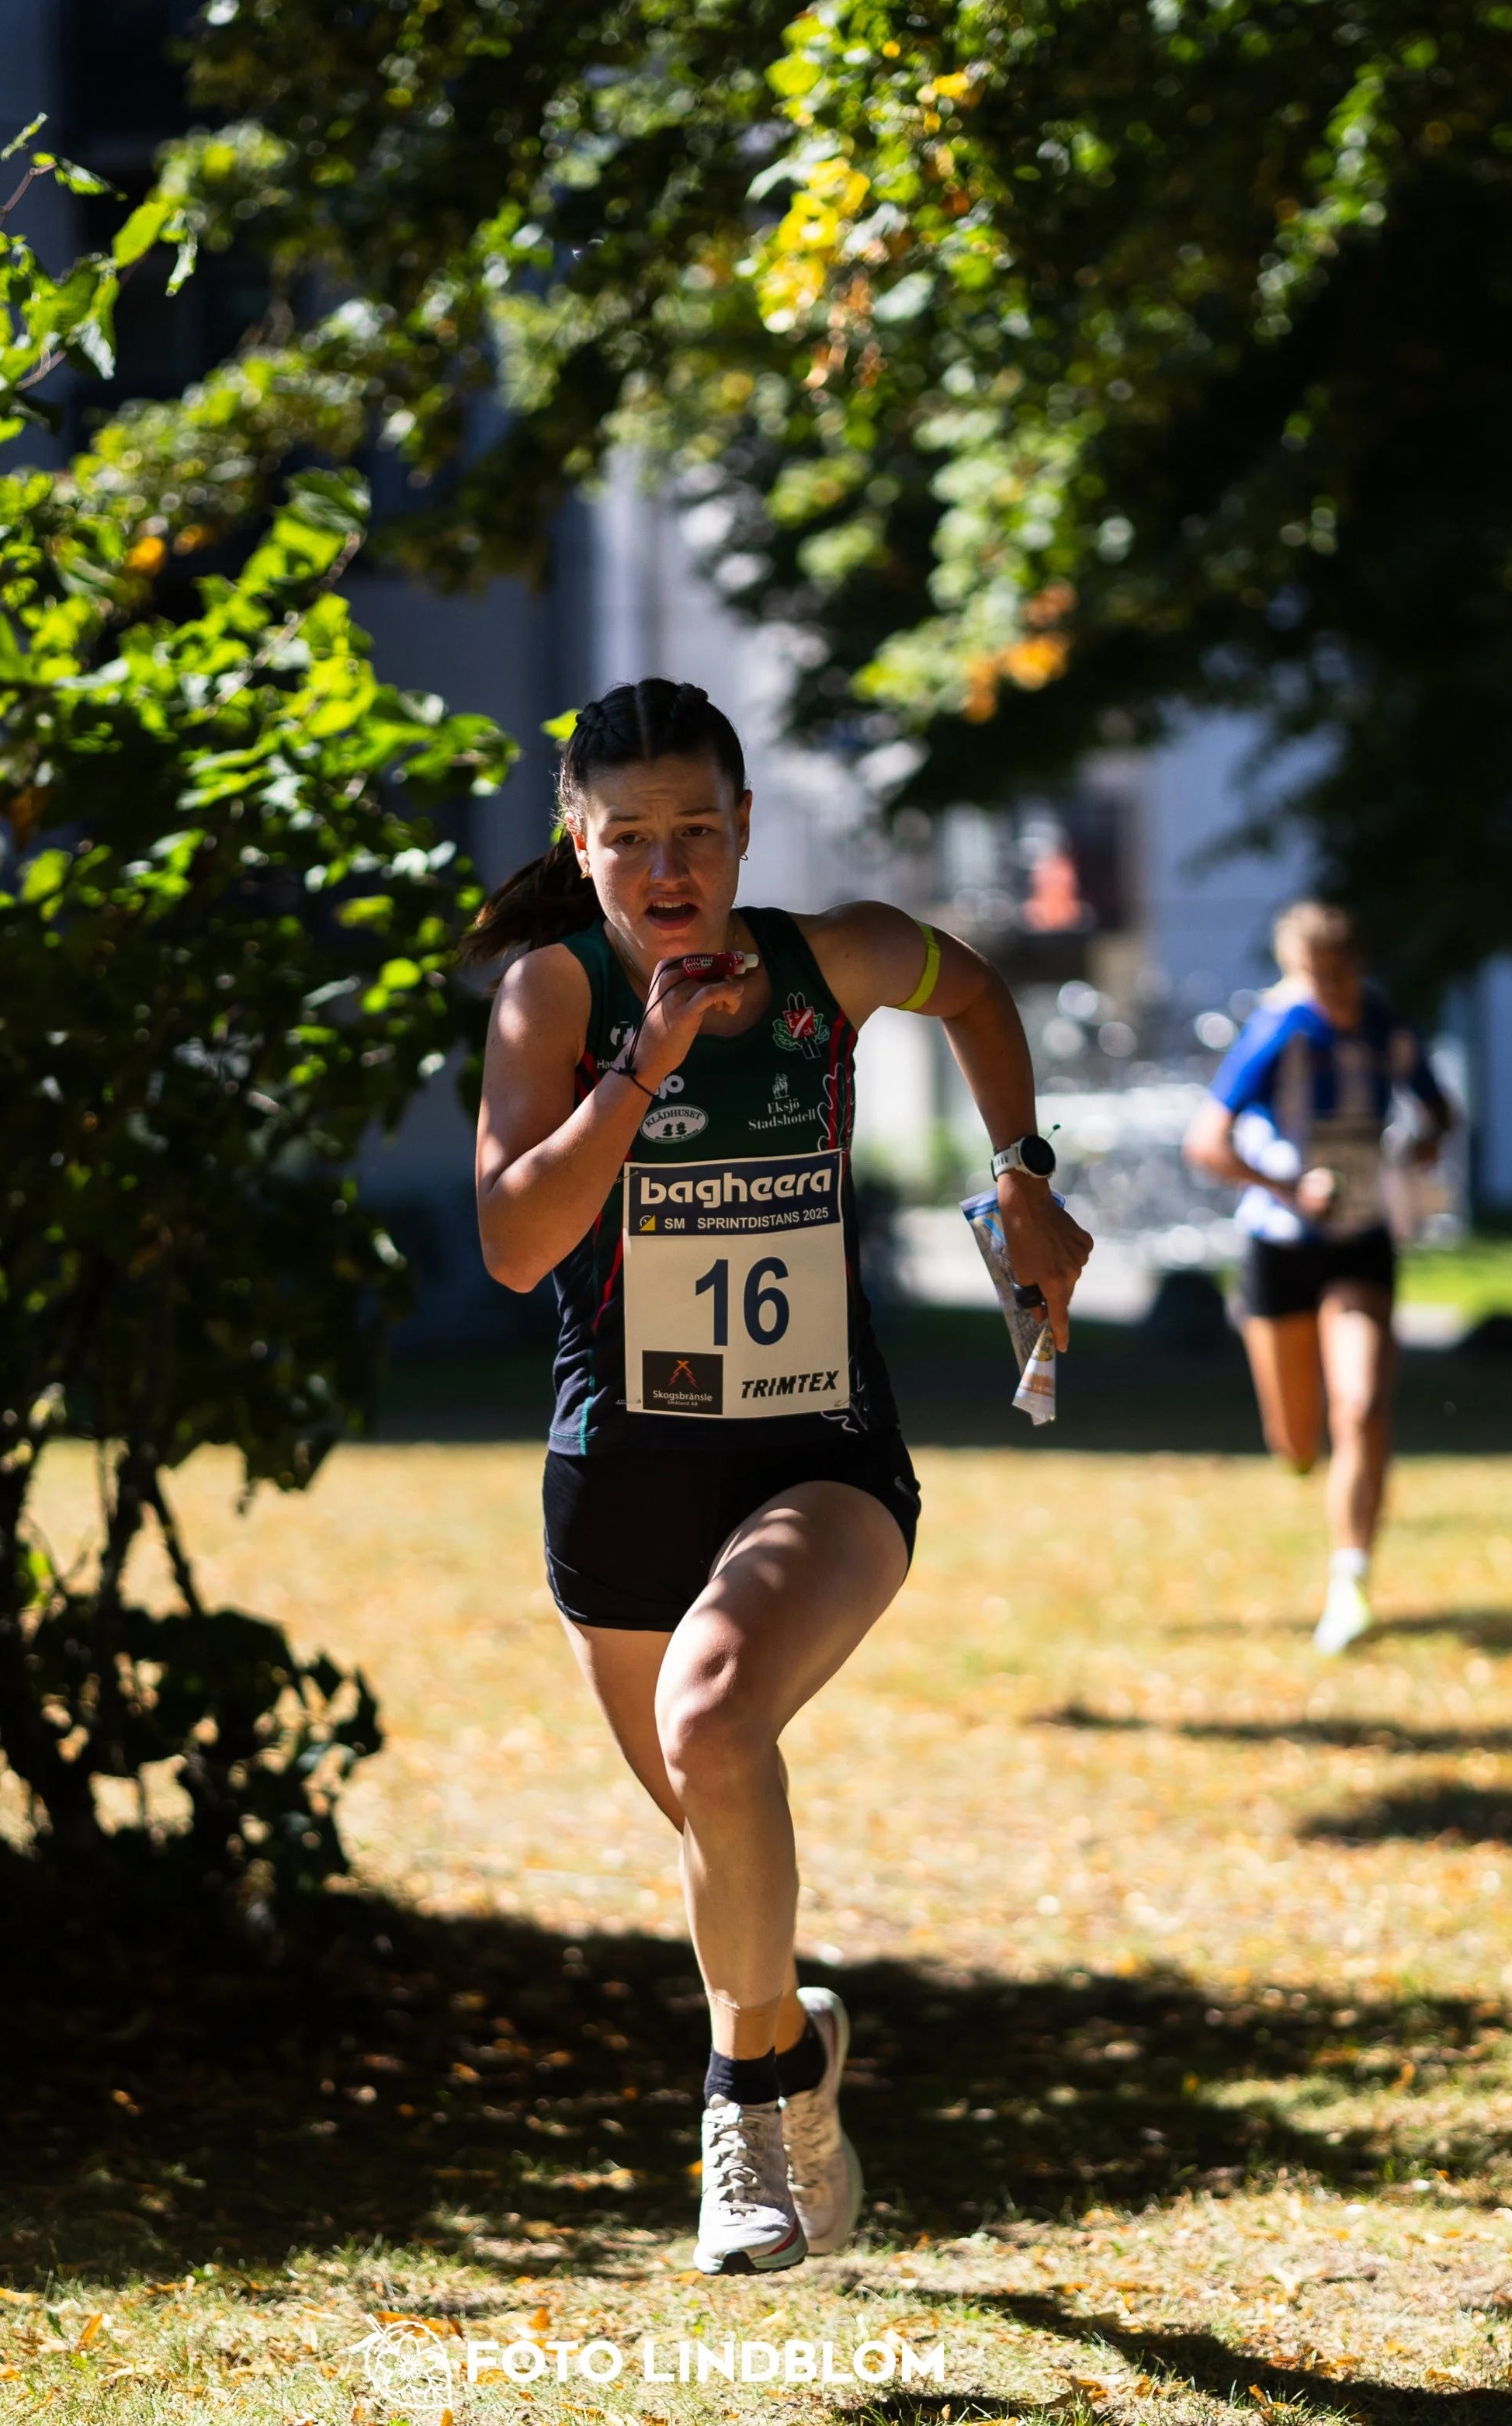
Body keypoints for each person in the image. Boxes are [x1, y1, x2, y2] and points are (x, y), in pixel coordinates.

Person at [468, 679, 1091, 2274]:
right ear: (579, 845)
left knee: (713, 1716)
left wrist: (1020, 1175)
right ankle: (791, 2050)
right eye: (630, 838)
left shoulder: (835, 959)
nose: (667, 866)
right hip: (619, 1479)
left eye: (696, 828)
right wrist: (642, 1062)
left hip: (818, 1450)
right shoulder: (553, 995)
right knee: (713, 1813)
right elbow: (516, 1239)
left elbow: (972, 992)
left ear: (742, 828)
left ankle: (739, 2109)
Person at [1184, 901, 1455, 1656]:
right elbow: (1204, 1142)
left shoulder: (1385, 1029)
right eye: (1312, 974)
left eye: (1338, 971)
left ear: (1358, 964)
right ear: (1293, 971)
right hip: (1279, 1246)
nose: (1327, 987)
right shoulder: (1276, 1032)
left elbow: (1439, 1111)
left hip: (1361, 1242)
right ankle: (1300, 1457)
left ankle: (1350, 1582)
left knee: (1361, 1407)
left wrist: (1421, 1149)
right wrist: (1286, 1185)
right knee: (1296, 1438)